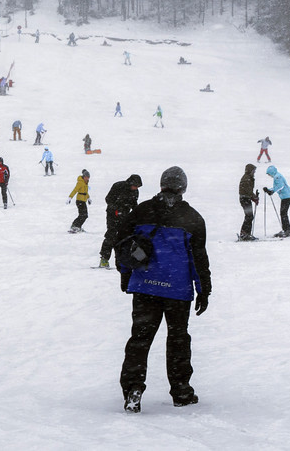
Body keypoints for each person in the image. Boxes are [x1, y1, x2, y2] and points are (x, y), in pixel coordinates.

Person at [115, 166, 210, 413]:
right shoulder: (192, 218)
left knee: (140, 339)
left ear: (161, 185)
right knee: (178, 340)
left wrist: (126, 275)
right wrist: (204, 290)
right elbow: (199, 259)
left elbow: (123, 244)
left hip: (145, 287)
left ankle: (133, 389)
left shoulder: (142, 211)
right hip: (177, 291)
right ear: (183, 188)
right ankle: (181, 391)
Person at [99, 175, 142, 267]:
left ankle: (122, 260)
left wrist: (137, 214)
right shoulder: (118, 186)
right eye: (135, 186)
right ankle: (104, 259)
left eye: (138, 187)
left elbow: (134, 204)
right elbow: (108, 199)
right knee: (111, 235)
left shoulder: (135, 192)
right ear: (131, 183)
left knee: (126, 237)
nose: (136, 188)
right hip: (112, 215)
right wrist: (116, 209)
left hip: (125, 215)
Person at [263, 165, 290, 237]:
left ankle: (287, 230)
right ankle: (286, 229)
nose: (269, 175)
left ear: (271, 172)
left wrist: (272, 191)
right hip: (286, 196)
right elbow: (276, 187)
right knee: (283, 213)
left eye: (269, 174)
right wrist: (269, 190)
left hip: (287, 196)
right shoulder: (277, 176)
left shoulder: (277, 177)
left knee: (283, 213)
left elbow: (280, 186)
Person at [237, 164, 260, 241]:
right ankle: (244, 234)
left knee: (249, 216)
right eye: (253, 171)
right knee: (249, 216)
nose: (254, 172)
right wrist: (254, 197)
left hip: (246, 198)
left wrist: (254, 198)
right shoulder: (246, 179)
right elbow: (248, 191)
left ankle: (246, 233)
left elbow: (249, 191)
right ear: (250, 171)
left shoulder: (249, 178)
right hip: (244, 199)